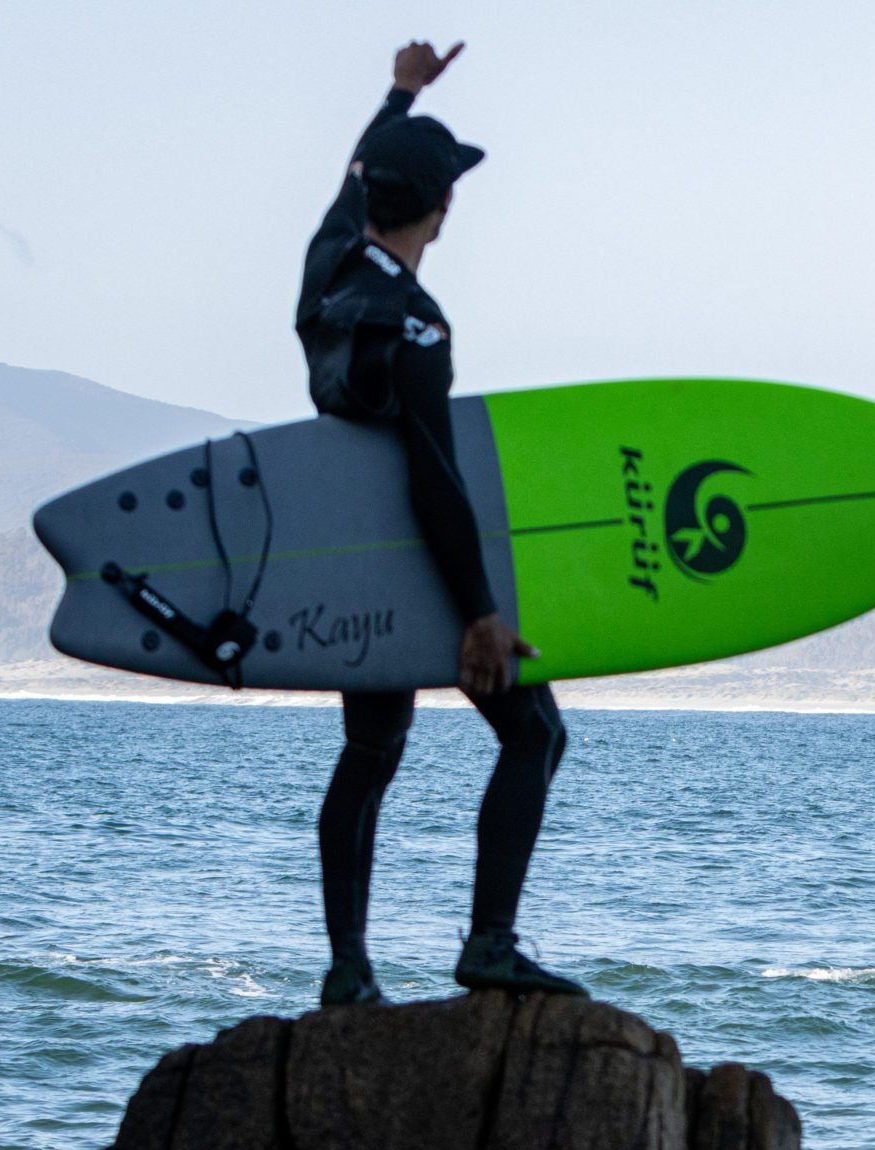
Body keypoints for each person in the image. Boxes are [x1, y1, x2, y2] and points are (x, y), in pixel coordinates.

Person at [297, 40, 581, 1007]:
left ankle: (348, 969)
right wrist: (479, 613)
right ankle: (489, 944)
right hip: (421, 557)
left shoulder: (328, 267)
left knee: (370, 754)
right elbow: (431, 471)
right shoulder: (416, 325)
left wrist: (401, 93)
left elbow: (355, 167)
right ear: (443, 210)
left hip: (343, 553)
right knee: (534, 732)